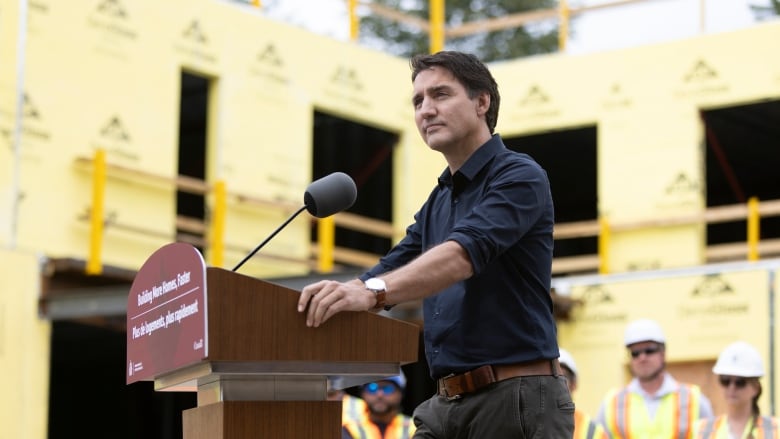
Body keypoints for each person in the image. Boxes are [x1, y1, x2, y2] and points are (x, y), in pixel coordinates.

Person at [297, 50, 573, 438]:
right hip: (445, 405)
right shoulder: (439, 199)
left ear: (482, 102)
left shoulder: (519, 175)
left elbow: (462, 255)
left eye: (440, 95)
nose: (425, 110)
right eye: (417, 101)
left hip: (515, 400)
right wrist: (346, 292)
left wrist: (372, 293)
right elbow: (399, 260)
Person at [596, 318, 714, 438]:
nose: (642, 358)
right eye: (635, 353)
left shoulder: (693, 399)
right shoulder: (612, 403)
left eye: (649, 350)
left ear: (663, 353)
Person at [694, 341, 780, 438]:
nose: (732, 387)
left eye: (740, 382)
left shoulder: (775, 430)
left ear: (755, 388)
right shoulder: (700, 430)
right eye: (725, 380)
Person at [342, 375, 415, 439]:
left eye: (387, 389)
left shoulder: (414, 428)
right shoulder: (349, 428)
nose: (379, 394)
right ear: (362, 394)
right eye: (372, 388)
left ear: (400, 394)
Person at [559, 348, 609, 439]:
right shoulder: (527, 426)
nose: (555, 385)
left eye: (562, 378)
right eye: (550, 379)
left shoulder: (593, 432)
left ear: (574, 384)